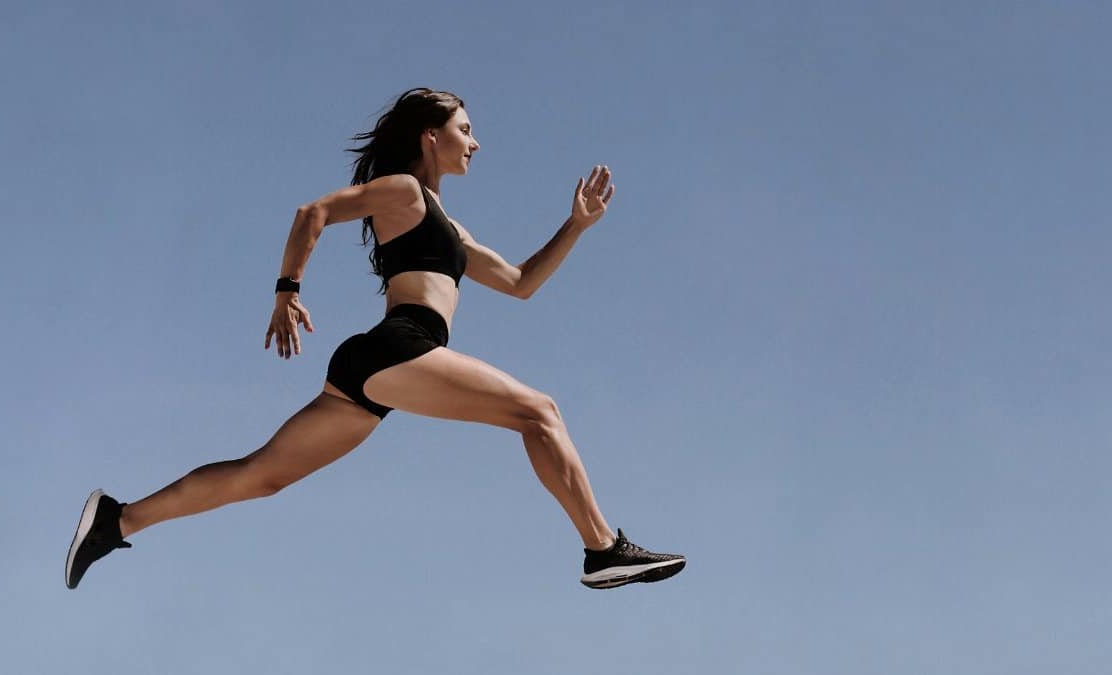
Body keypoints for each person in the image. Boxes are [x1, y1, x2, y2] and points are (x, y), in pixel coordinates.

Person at [66, 87, 685, 591]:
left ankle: (118, 519)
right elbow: (313, 213)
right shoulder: (402, 190)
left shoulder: (448, 225)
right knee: (539, 412)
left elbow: (521, 282)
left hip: (379, 369)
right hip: (402, 347)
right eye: (464, 128)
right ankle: (602, 549)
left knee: (261, 476)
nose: (475, 141)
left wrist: (574, 226)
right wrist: (287, 290)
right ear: (430, 136)